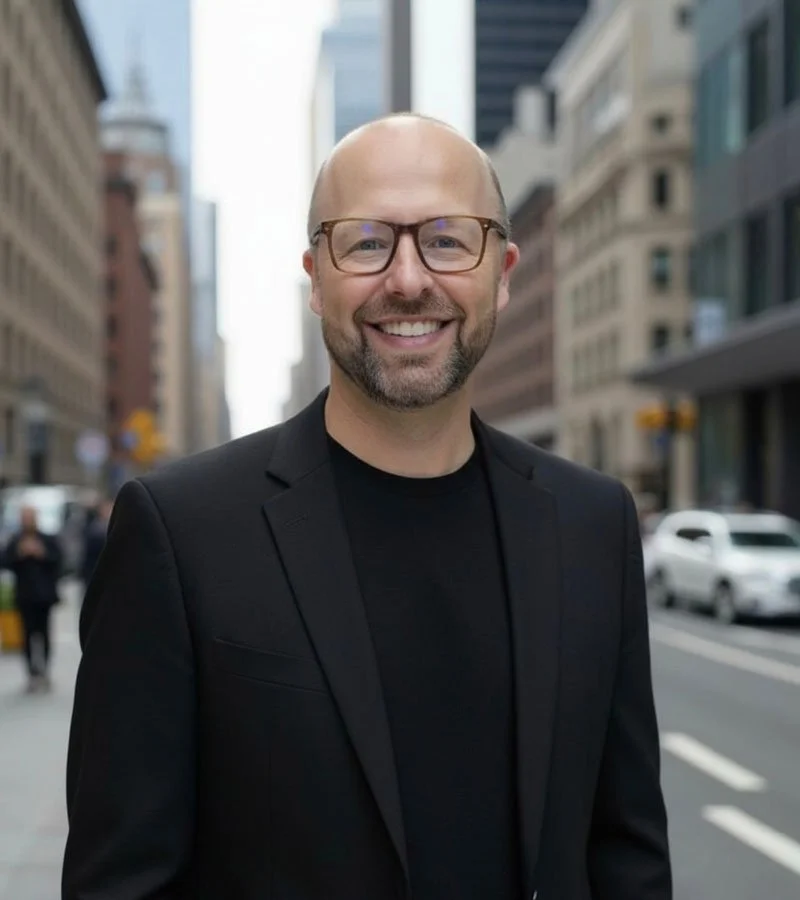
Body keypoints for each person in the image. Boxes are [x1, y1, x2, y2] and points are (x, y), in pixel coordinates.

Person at [63, 114, 671, 900]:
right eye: (367, 242)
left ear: (505, 270)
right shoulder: (178, 532)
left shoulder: (596, 525)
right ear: (316, 277)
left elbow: (627, 857)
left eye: (449, 239)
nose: (410, 279)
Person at [3, 505, 62, 692]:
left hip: (44, 596)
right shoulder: (15, 540)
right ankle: (31, 673)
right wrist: (20, 553)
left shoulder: (47, 538)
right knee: (27, 635)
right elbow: (5, 561)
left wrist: (41, 553)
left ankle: (44, 671)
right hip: (24, 596)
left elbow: (60, 561)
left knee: (44, 634)